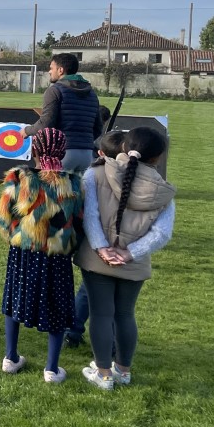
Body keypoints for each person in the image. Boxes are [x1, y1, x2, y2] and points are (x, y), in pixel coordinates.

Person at [76, 126, 175, 390]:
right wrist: (131, 253)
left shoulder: (95, 173)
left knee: (100, 314)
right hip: (133, 263)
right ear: (157, 157)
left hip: (98, 260)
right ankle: (122, 370)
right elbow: (162, 233)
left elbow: (90, 215)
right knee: (124, 314)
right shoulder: (162, 189)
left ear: (124, 147)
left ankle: (104, 374)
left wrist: (102, 248)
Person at [0, 128, 83, 383]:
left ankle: (10, 357)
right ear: (62, 152)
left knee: (14, 298)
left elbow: (4, 217)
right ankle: (52, 369)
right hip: (57, 255)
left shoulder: (18, 177)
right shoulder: (74, 183)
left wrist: (18, 237)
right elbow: (79, 221)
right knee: (57, 306)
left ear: (34, 150)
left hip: (23, 252)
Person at [64, 130, 127, 348]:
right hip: (116, 243)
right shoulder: (132, 175)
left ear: (100, 153)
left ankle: (73, 331)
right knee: (112, 296)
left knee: (91, 290)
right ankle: (107, 343)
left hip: (96, 242)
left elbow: (84, 211)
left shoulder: (91, 174)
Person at [22, 53, 102, 173]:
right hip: (86, 154)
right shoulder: (92, 94)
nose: (49, 71)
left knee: (53, 186)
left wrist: (26, 131)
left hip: (63, 153)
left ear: (60, 70)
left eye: (51, 68)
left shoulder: (54, 90)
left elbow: (46, 124)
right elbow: (98, 127)